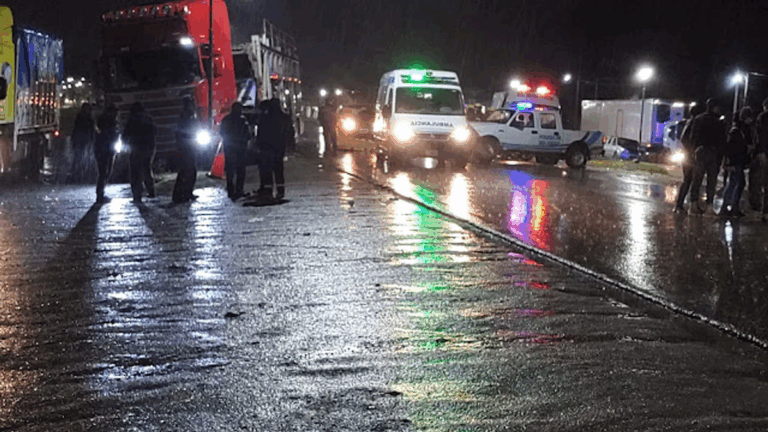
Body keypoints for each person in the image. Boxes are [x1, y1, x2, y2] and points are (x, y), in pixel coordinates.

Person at [688, 98, 726, 215]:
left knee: (697, 178)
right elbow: (721, 140)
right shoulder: (718, 121)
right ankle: (709, 205)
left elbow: (692, 137)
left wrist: (693, 151)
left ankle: (693, 204)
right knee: (711, 180)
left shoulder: (699, 119)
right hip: (713, 153)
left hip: (701, 151)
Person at [720, 107, 753, 217]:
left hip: (738, 161)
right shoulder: (737, 130)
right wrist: (730, 163)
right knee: (735, 183)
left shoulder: (739, 129)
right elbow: (731, 148)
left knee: (737, 183)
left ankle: (731, 207)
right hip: (736, 161)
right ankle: (727, 207)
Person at [122, 102, 157, 203]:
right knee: (147, 170)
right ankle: (151, 191)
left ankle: (137, 195)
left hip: (136, 148)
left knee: (135, 172)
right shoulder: (149, 118)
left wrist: (125, 145)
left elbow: (126, 134)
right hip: (149, 148)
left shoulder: (132, 119)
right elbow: (155, 131)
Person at [256, 98, 290, 199]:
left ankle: (268, 191)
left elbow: (260, 134)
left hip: (267, 148)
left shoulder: (265, 118)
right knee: (279, 170)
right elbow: (288, 133)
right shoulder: (284, 117)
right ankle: (280, 191)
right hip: (279, 148)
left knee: (267, 170)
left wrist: (259, 145)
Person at [673, 103, 704, 213]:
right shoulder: (693, 123)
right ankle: (683, 205)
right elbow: (685, 139)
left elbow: (682, 138)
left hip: (687, 154)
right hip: (690, 155)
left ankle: (680, 205)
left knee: (688, 180)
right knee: (690, 180)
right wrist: (692, 151)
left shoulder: (688, 122)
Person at [219, 102, 252, 200]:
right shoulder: (242, 120)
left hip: (229, 148)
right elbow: (247, 134)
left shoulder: (225, 120)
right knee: (240, 170)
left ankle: (230, 190)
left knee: (230, 170)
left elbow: (221, 132)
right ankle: (239, 190)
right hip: (240, 148)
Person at [172, 96, 200, 204]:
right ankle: (180, 195)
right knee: (187, 170)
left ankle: (186, 193)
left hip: (189, 146)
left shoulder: (190, 115)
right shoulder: (186, 116)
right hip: (187, 147)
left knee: (189, 171)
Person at [93, 104, 119, 203]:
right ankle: (100, 194)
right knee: (104, 172)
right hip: (106, 149)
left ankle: (100, 193)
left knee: (105, 172)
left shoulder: (108, 121)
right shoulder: (109, 122)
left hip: (105, 149)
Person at [750, 97, 768, 218]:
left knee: (758, 181)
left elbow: (760, 136)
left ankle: (758, 209)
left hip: (764, 153)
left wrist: (760, 151)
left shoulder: (763, 117)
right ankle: (765, 210)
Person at [69, 102, 95, 183]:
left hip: (82, 140)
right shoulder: (85, 118)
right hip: (81, 140)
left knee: (80, 157)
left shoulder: (83, 118)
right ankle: (78, 173)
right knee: (80, 157)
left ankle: (78, 173)